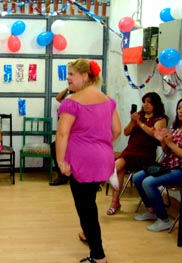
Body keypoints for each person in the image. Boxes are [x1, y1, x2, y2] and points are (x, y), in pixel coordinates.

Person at [56, 59, 121, 263]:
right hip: (103, 159)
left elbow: (62, 134)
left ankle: (98, 255)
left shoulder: (71, 102)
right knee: (89, 200)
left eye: (71, 74)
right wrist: (99, 145)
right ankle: (87, 233)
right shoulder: (107, 100)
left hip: (82, 162)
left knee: (86, 208)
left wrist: (60, 161)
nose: (68, 78)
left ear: (85, 76)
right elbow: (117, 130)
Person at [107, 92, 168, 215]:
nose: (145, 105)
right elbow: (126, 132)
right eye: (144, 102)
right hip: (131, 149)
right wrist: (132, 121)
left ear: (155, 104)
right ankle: (114, 201)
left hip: (146, 153)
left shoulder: (161, 119)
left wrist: (139, 123)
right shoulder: (138, 115)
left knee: (118, 166)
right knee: (118, 167)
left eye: (148, 102)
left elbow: (153, 133)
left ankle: (106, 179)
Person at [133, 98, 182, 232]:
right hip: (167, 165)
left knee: (148, 183)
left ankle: (164, 219)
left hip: (179, 170)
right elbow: (167, 151)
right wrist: (163, 142)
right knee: (137, 177)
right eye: (178, 108)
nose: (180, 111)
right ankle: (152, 210)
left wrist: (171, 143)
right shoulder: (175, 127)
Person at [49, 87, 72, 186]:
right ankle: (62, 175)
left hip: (73, 135)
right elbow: (58, 97)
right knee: (54, 146)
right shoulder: (66, 102)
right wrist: (68, 88)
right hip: (64, 134)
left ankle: (67, 175)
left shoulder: (79, 103)